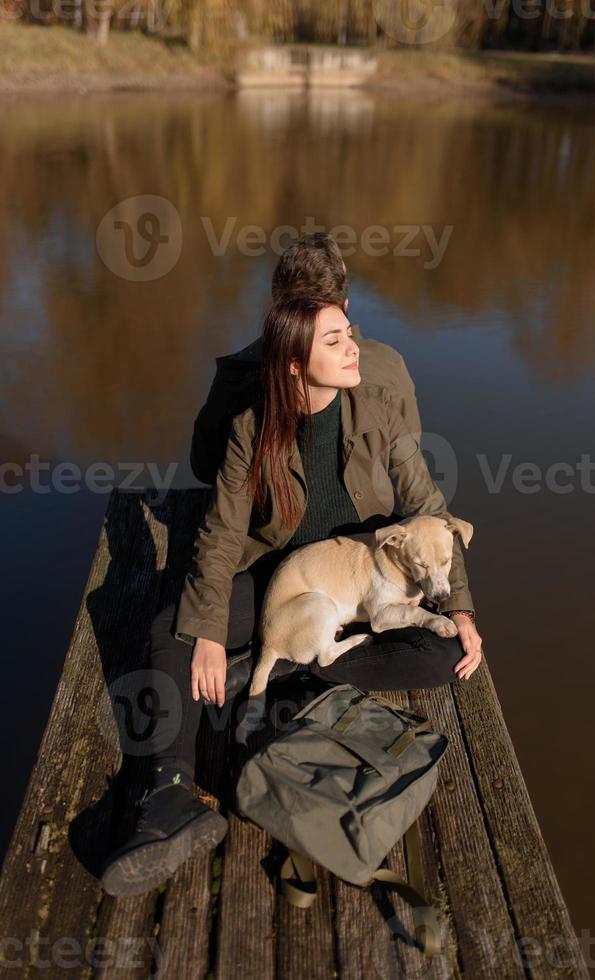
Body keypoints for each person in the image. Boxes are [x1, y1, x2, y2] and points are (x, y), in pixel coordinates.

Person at [100, 254, 483, 900]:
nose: (353, 345)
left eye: (347, 333)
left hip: (364, 575)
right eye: (335, 339)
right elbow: (219, 534)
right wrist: (209, 629)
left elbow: (428, 508)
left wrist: (464, 608)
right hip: (279, 570)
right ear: (295, 359)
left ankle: (301, 665)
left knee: (449, 650)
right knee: (174, 629)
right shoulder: (254, 422)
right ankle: (169, 789)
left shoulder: (378, 405)